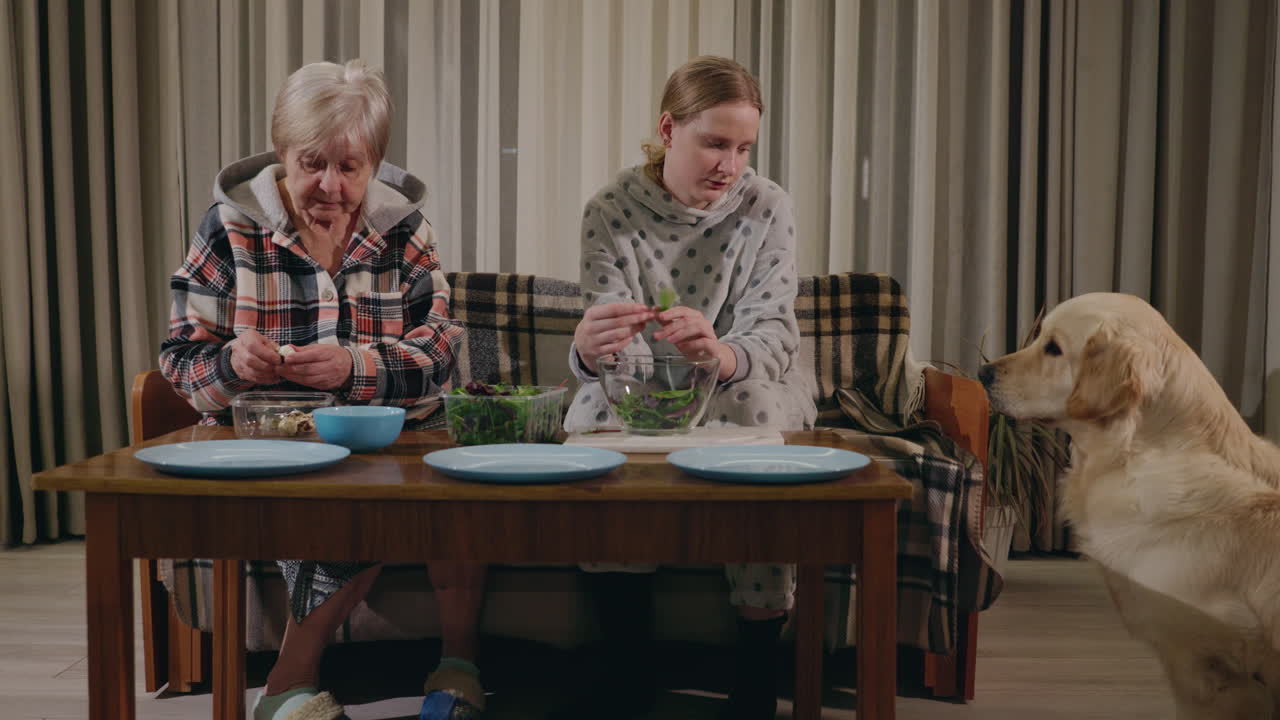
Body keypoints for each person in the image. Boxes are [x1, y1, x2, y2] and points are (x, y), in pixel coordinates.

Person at [160, 60, 487, 720]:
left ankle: (458, 663)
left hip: (394, 437)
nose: (331, 185)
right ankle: (291, 681)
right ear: (281, 152)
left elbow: (437, 354)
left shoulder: (406, 230)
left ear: (375, 164)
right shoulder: (229, 228)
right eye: (312, 163)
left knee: (453, 489)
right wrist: (232, 364)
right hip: (276, 449)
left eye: (350, 166)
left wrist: (352, 369)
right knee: (352, 503)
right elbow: (180, 361)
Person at [560, 56, 817, 720]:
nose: (730, 165)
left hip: (745, 382)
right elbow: (608, 350)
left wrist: (719, 354)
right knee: (592, 416)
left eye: (743, 148)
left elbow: (774, 334)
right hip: (642, 385)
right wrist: (588, 351)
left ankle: (756, 674)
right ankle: (628, 667)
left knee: (751, 406)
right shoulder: (609, 211)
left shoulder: (767, 207)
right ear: (669, 130)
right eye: (715, 143)